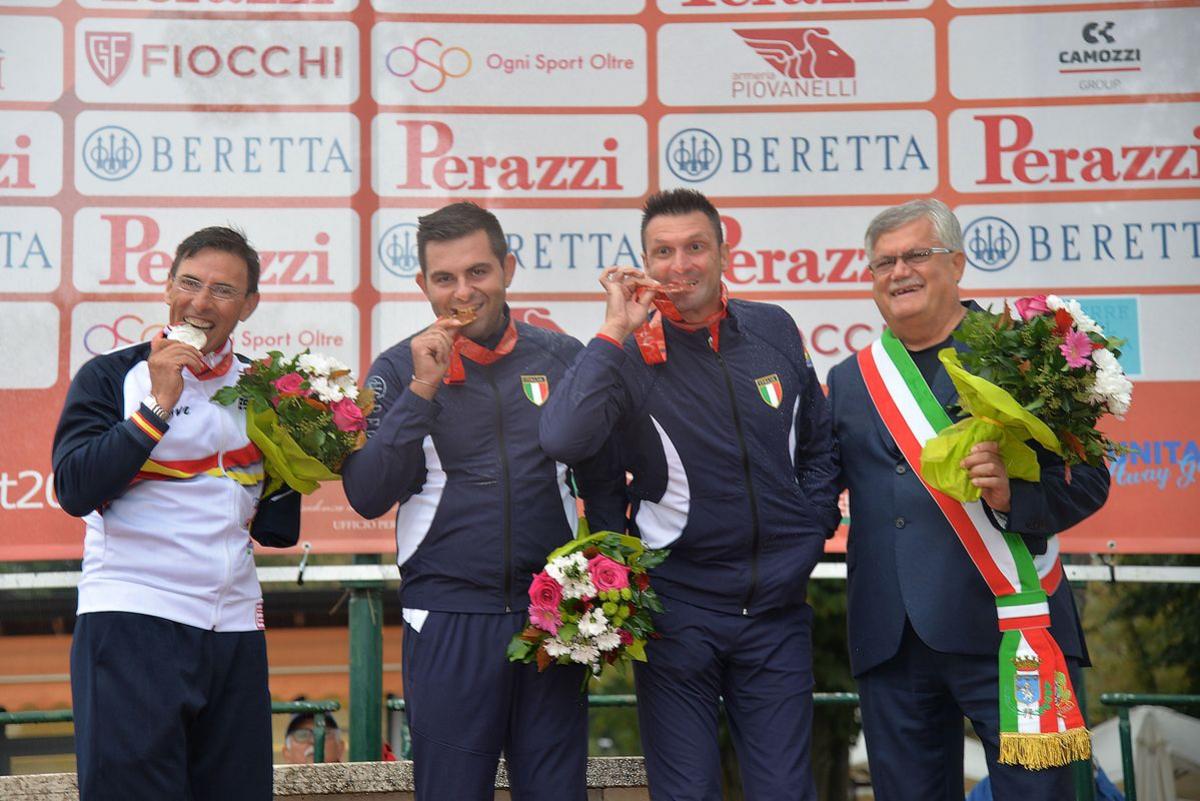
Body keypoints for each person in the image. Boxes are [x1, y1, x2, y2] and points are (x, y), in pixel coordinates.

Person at [538, 188, 841, 801]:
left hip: (776, 612)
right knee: (687, 794)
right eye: (664, 252)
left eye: (695, 247)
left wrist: (808, 533)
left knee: (787, 792)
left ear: (724, 252)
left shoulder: (773, 328)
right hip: (678, 615)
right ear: (644, 265)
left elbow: (820, 444)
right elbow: (563, 438)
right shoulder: (624, 354)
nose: (680, 266)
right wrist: (614, 328)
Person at [826, 199, 1111, 801]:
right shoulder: (850, 381)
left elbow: (1088, 480)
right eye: (883, 262)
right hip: (891, 638)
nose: (898, 271)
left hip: (1010, 631)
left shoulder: (1026, 353)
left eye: (916, 255)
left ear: (956, 264)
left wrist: (1013, 496)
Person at [341, 202, 623, 801]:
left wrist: (605, 583)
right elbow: (367, 494)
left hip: (551, 618)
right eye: (444, 279)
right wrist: (423, 389)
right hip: (447, 615)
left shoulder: (562, 356)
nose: (463, 292)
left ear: (509, 269)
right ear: (422, 285)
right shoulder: (397, 368)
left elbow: (598, 478)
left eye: (478, 273)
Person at [52, 226, 301, 801]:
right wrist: (158, 405)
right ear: (167, 286)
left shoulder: (266, 390)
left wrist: (309, 445)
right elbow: (74, 488)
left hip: (234, 624)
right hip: (133, 614)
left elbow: (275, 524)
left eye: (222, 290)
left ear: (249, 305)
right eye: (189, 283)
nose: (200, 302)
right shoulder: (113, 376)